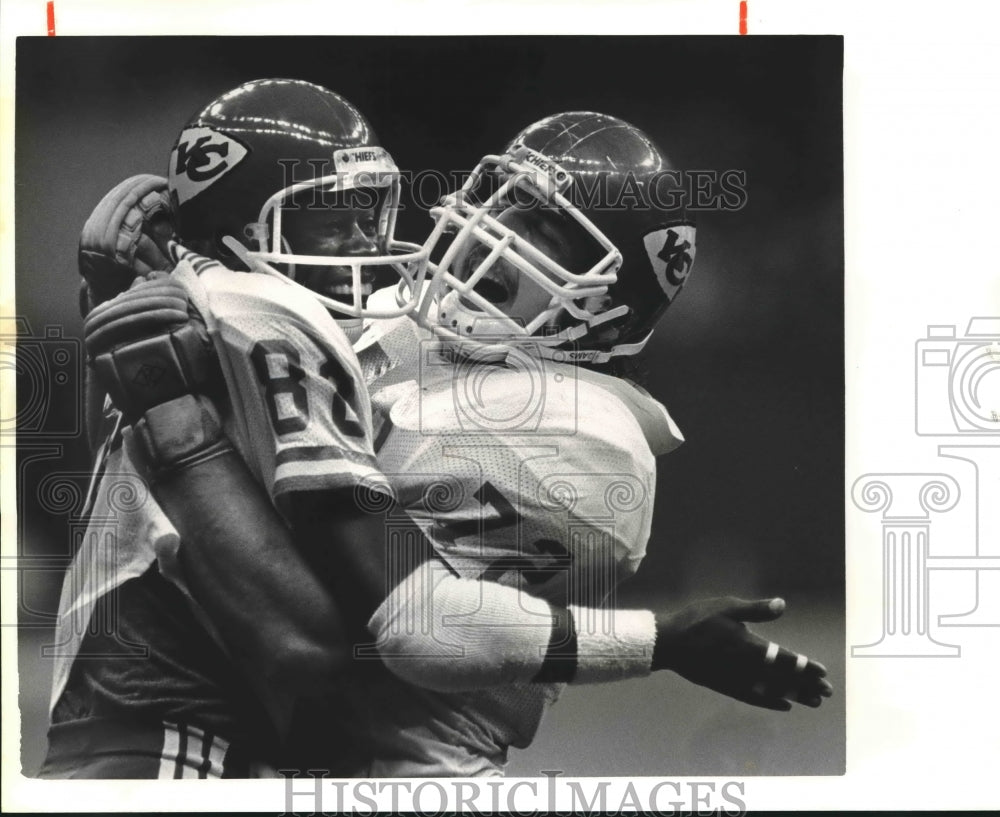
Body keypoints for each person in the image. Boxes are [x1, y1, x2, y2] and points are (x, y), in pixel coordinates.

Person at [63, 93, 832, 778]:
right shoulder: (424, 325)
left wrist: (658, 640)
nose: (490, 228)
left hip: (399, 772)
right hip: (282, 754)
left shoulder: (578, 433)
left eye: (543, 232)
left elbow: (387, 625)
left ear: (607, 307)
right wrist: (185, 270)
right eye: (501, 198)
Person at [40, 77, 426, 778]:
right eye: (331, 215)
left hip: (148, 727)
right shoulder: (254, 310)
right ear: (245, 225)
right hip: (172, 736)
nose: (365, 240)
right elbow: (315, 644)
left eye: (370, 210)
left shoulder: (186, 307)